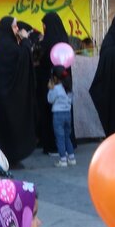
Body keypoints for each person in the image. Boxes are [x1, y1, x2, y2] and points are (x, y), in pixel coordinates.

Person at [0, 16, 37, 168]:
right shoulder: (7, 47)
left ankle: (11, 157)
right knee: (12, 124)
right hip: (10, 96)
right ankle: (11, 156)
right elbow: (22, 57)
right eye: (15, 27)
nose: (18, 29)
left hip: (5, 94)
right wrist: (24, 40)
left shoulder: (1, 44)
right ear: (8, 29)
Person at [36, 12, 70, 155]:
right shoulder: (64, 39)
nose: (43, 27)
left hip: (50, 84)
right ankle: (68, 147)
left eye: (44, 25)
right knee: (66, 118)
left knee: (50, 115)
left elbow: (40, 61)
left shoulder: (47, 41)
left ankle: (52, 145)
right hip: (65, 83)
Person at [47, 65, 75, 167]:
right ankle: (71, 157)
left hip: (58, 115)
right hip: (67, 114)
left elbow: (50, 100)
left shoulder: (56, 89)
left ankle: (63, 159)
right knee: (67, 136)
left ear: (54, 78)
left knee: (60, 137)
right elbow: (71, 101)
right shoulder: (68, 88)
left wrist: (50, 89)